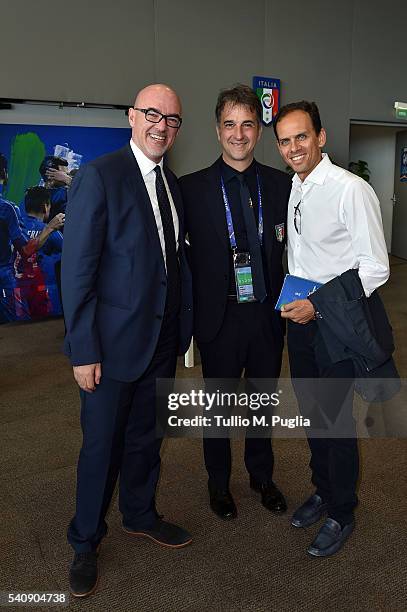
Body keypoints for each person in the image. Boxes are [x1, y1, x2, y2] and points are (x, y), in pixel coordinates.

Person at [62, 84, 193, 598]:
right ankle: (84, 541)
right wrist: (84, 350)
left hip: (160, 341)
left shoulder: (171, 183)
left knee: (146, 439)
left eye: (172, 120)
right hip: (110, 349)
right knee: (101, 447)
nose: (162, 126)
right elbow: (77, 273)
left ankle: (139, 513)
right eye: (153, 115)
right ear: (132, 118)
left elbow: (171, 262)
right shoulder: (101, 176)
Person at [273, 100, 389, 557]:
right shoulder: (296, 187)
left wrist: (316, 305)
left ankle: (343, 509)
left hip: (334, 324)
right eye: (285, 141)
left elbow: (375, 268)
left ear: (321, 138)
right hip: (300, 323)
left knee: (336, 422)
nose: (294, 147)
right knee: (314, 416)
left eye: (302, 137)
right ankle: (323, 489)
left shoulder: (350, 189)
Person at [179, 84, 291, 521]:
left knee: (263, 402)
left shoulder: (281, 185)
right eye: (230, 124)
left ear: (259, 131)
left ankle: (262, 477)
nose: (239, 134)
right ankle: (219, 483)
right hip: (219, 317)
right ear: (217, 129)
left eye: (247, 124)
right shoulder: (191, 189)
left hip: (266, 314)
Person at [15, 187, 63, 316]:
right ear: (45, 207)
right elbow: (70, 253)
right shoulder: (51, 232)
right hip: (43, 290)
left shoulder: (15, 228)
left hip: (18, 291)